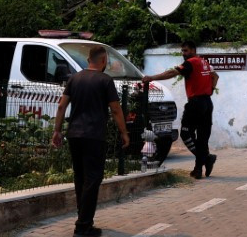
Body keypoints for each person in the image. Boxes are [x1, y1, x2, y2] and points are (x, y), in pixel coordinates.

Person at [51, 44, 129, 237]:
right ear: (103, 61)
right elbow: (116, 109)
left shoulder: (74, 79)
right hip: (94, 136)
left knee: (80, 178)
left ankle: (84, 220)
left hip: (74, 135)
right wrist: (124, 132)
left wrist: (57, 131)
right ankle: (83, 226)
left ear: (88, 61)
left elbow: (61, 107)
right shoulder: (105, 80)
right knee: (93, 179)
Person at [143, 40, 218, 179]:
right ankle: (198, 169)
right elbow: (215, 76)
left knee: (186, 133)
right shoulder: (204, 62)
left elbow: (172, 73)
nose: (184, 54)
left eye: (186, 51)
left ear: (193, 51)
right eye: (182, 51)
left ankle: (206, 158)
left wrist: (152, 78)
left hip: (195, 103)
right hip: (207, 102)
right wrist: (211, 89)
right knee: (202, 138)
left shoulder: (190, 62)